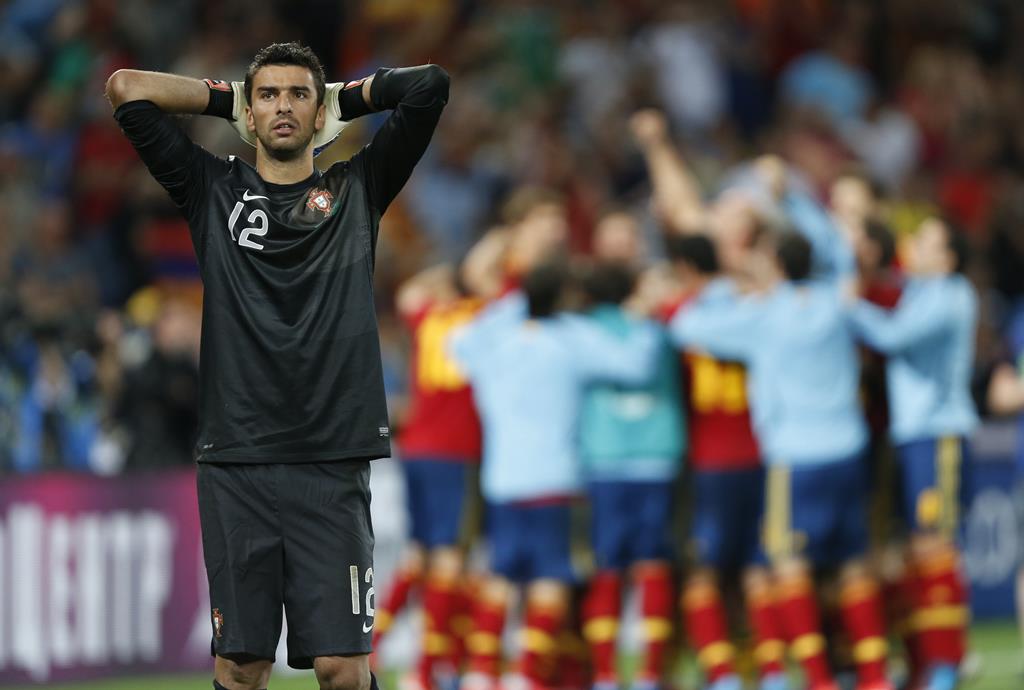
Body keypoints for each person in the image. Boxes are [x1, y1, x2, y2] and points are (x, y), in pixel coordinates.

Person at [105, 42, 449, 690]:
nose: (282, 106)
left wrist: (340, 100)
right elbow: (127, 89)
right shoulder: (211, 189)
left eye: (298, 95)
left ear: (321, 116)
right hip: (239, 459)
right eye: (267, 95)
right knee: (241, 666)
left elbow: (428, 85)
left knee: (342, 668)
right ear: (250, 115)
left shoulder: (359, 189)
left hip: (330, 458)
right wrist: (225, 97)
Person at [670, 232, 893, 690]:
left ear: (775, 265)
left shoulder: (764, 315)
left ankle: (817, 678)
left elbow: (686, 327)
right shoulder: (837, 305)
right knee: (853, 562)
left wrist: (727, 287)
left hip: (794, 454)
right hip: (849, 447)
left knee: (789, 563)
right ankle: (875, 677)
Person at [450, 262, 659, 690]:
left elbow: (458, 342)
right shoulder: (572, 340)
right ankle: (525, 674)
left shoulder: (495, 342)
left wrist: (513, 304)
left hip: (503, 480)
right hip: (556, 481)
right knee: (550, 579)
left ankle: (480, 673)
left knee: (500, 576)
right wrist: (641, 317)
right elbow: (637, 365)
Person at [848, 217, 978, 690]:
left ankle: (947, 663)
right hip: (913, 436)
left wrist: (849, 305)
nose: (913, 248)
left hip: (938, 434)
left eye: (924, 242)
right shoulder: (922, 291)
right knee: (910, 554)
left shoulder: (949, 294)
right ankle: (927, 662)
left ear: (947, 258)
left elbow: (891, 337)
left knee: (934, 547)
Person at [373, 262, 485, 688]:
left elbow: (407, 294)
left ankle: (375, 644)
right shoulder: (481, 314)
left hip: (417, 447)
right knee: (449, 559)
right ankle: (426, 672)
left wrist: (435, 275)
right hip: (456, 449)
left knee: (420, 555)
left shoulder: (428, 315)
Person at [577, 261, 684, 690]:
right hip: (650, 458)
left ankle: (612, 674)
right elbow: (638, 368)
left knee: (612, 565)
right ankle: (645, 674)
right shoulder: (657, 325)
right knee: (646, 564)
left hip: (610, 459)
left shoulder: (583, 328)